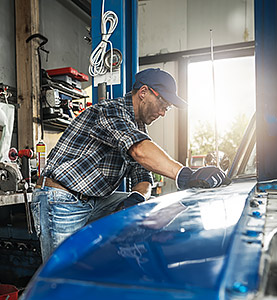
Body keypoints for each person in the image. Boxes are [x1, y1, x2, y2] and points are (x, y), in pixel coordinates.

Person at [31, 68, 228, 260]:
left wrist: (137, 196)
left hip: (93, 200)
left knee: (146, 209)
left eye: (167, 108)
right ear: (144, 92)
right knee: (63, 273)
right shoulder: (110, 111)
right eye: (163, 104)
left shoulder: (138, 126)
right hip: (61, 199)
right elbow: (139, 151)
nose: (163, 113)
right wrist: (185, 175)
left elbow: (143, 175)